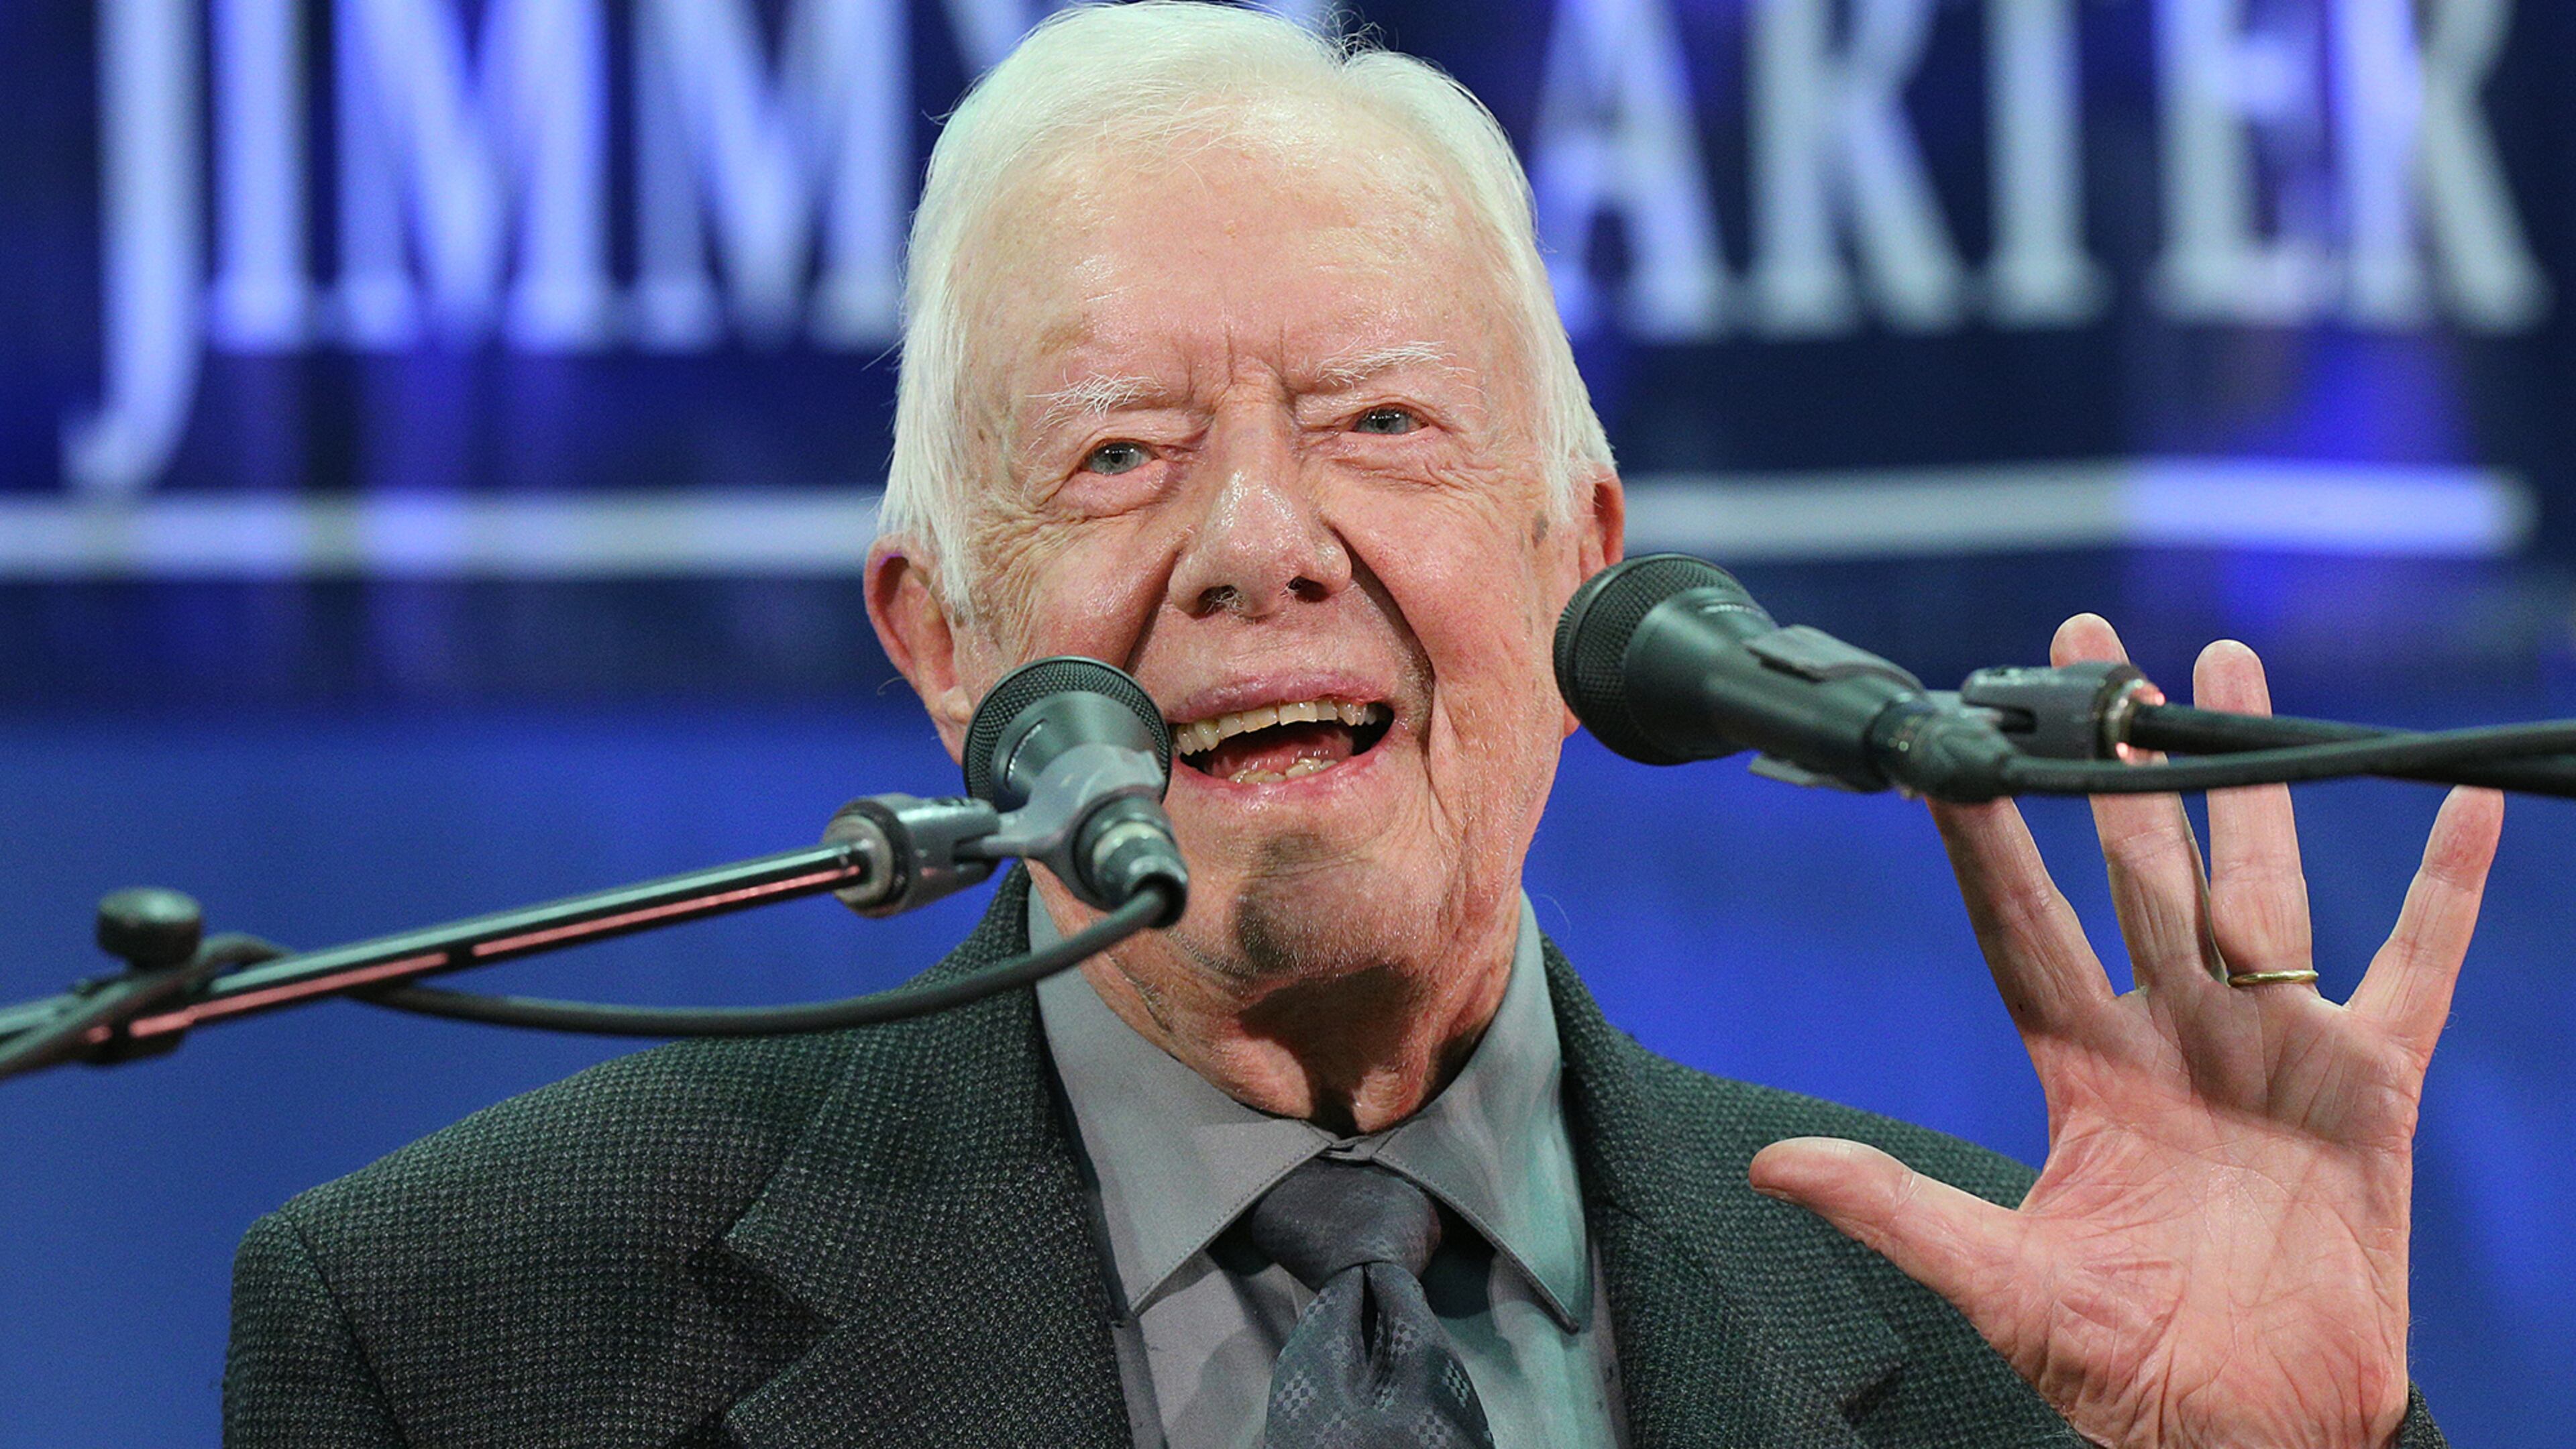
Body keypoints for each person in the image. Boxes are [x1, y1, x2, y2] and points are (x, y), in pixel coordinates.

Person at [223, 5, 2499, 1446]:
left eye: (1382, 422)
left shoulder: (2042, 1361)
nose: (1255, 541)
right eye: (1117, 453)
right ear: (938, 636)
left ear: (1576, 554)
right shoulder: (463, 1344)